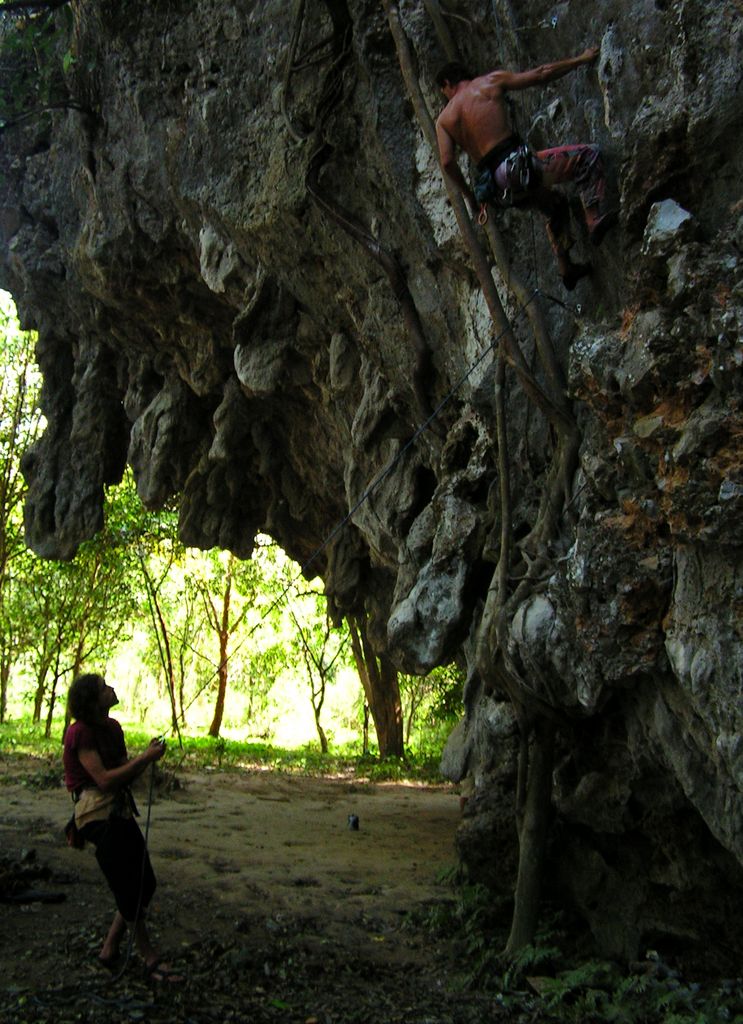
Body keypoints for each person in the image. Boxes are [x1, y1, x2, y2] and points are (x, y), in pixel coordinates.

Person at [435, 48, 618, 289]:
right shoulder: (490, 82)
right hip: (521, 167)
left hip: (500, 188)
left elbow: (447, 161)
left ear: (447, 83)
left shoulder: (444, 120)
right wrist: (580, 59)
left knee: (555, 205)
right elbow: (541, 74)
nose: (447, 98)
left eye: (444, 93)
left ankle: (566, 268)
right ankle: (593, 219)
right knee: (587, 155)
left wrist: (471, 197)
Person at [62, 672, 180, 982]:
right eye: (103, 687)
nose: (111, 687)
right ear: (93, 701)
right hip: (95, 815)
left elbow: (123, 773)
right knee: (128, 885)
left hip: (118, 810)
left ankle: (110, 947)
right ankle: (149, 957)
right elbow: (102, 779)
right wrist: (146, 757)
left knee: (146, 882)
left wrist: (148, 756)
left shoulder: (113, 729)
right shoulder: (80, 733)